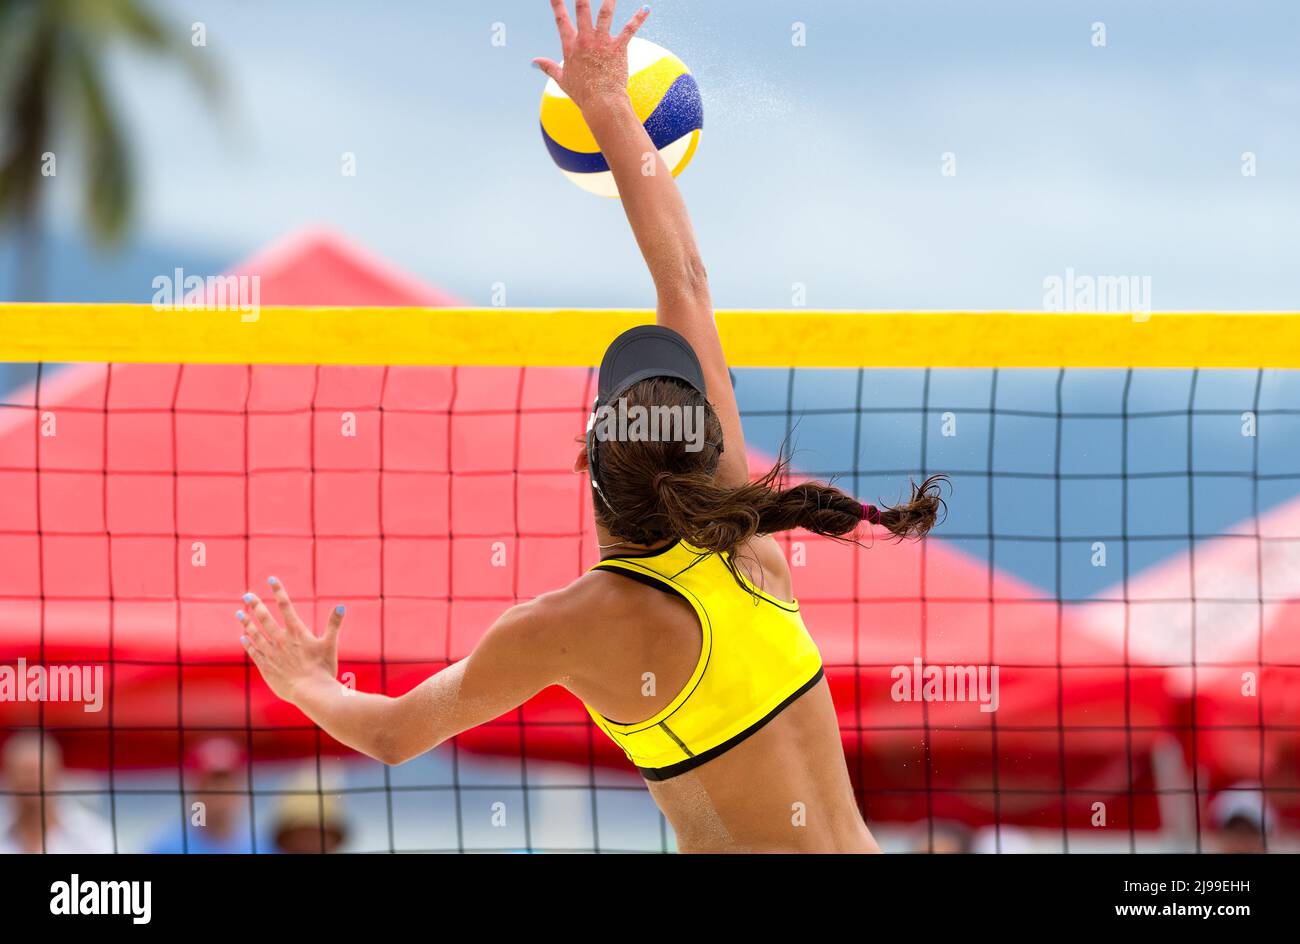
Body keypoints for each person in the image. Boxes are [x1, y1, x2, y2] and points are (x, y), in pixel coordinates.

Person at [234, 0, 944, 853]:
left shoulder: (571, 624)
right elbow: (685, 277)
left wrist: (307, 682)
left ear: (592, 473)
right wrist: (611, 109)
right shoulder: (746, 542)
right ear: (704, 457)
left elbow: (389, 735)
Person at [0, 732, 113, 854]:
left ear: (56, 775)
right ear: (7, 778)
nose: (30, 780)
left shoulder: (93, 836)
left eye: (38, 772)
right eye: (22, 773)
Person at [147, 737, 255, 854]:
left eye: (227, 782)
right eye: (211, 784)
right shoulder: (168, 848)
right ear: (194, 788)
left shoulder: (260, 845)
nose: (220, 793)